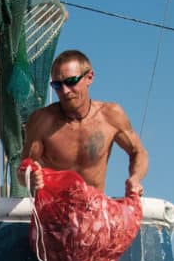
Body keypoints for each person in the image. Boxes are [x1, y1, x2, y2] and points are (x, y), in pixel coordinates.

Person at [22, 49, 148, 196]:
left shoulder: (111, 116)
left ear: (89, 77)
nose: (65, 90)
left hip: (94, 210)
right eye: (57, 85)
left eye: (71, 82)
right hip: (54, 211)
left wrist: (135, 178)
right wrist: (30, 176)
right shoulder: (42, 121)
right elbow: (23, 169)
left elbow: (138, 151)